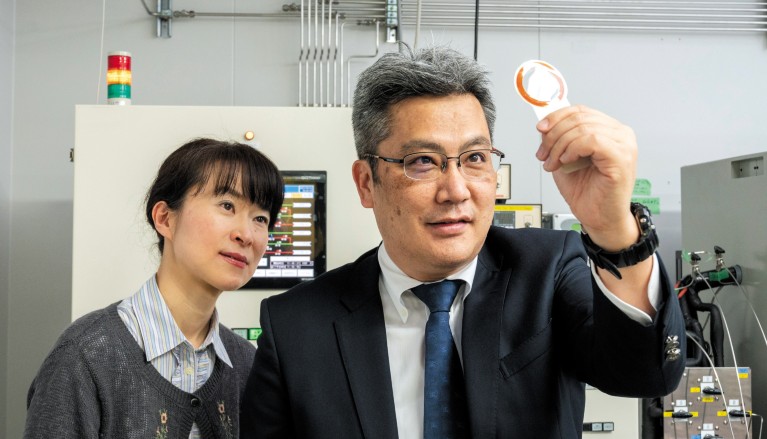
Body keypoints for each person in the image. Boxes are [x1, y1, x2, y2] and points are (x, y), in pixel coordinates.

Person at [241, 45, 685, 438]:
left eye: (474, 158)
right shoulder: (297, 326)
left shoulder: (546, 270)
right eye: (422, 161)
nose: (455, 190)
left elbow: (646, 374)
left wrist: (613, 228)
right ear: (366, 183)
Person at [24, 138, 284, 439]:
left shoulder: (246, 363)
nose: (246, 235)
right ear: (164, 219)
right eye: (227, 206)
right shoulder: (85, 356)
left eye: (261, 218)